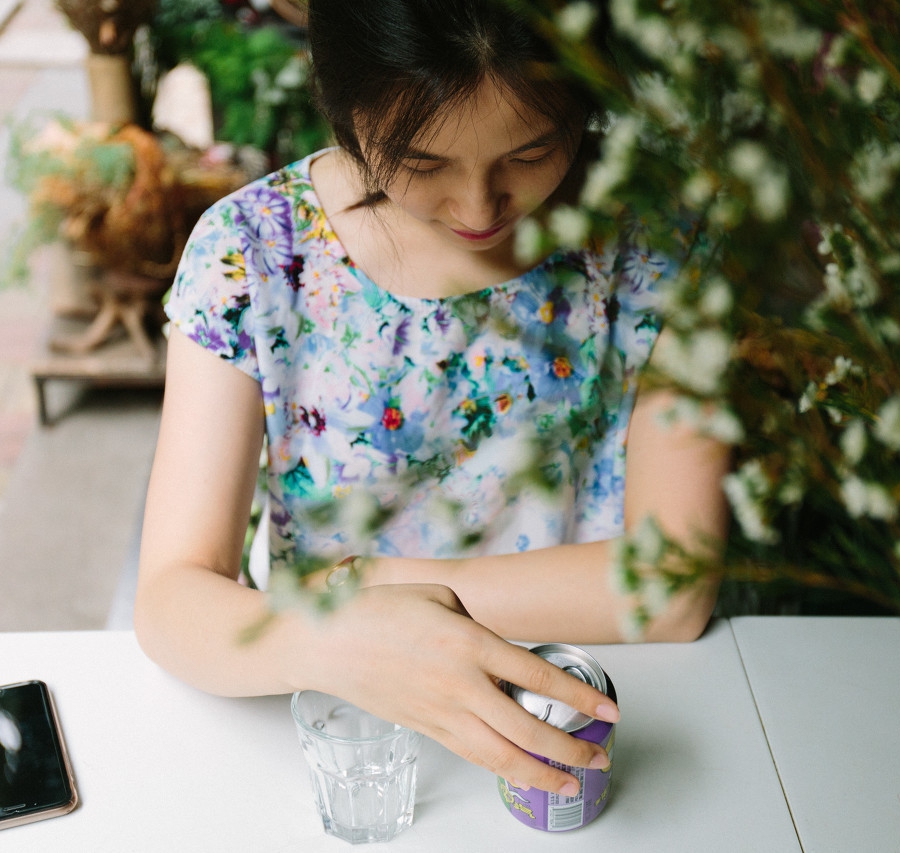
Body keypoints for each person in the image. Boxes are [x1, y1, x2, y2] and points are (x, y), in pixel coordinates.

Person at [134, 0, 729, 797]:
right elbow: (173, 598)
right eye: (423, 164)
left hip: (587, 720)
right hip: (348, 741)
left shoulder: (659, 244)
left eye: (532, 151)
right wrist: (338, 639)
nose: (480, 209)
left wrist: (358, 588)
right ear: (345, 108)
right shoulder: (254, 250)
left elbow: (674, 586)